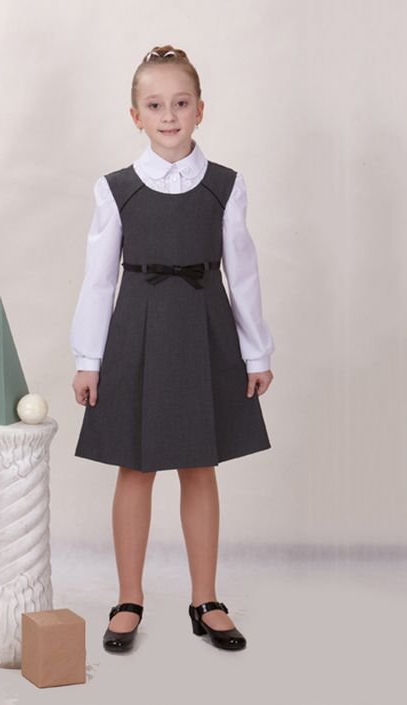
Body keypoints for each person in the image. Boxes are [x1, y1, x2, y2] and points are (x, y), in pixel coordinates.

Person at [70, 45, 275, 653]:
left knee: (199, 465)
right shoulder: (116, 189)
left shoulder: (225, 186)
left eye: (180, 104)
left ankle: (205, 599)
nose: (169, 116)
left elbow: (243, 272)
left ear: (200, 110)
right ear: (136, 116)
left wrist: (257, 353)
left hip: (205, 331)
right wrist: (88, 359)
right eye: (155, 106)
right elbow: (98, 279)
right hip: (136, 331)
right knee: (135, 467)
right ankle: (128, 598)